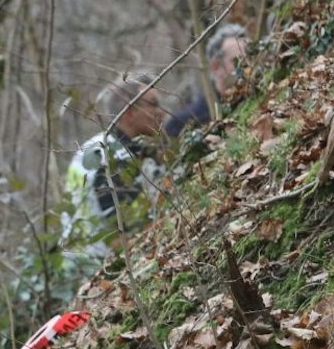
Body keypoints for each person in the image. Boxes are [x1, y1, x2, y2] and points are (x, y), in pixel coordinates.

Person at [62, 70, 168, 267]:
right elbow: (123, 234)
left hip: (82, 260)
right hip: (97, 267)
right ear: (128, 113)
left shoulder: (102, 146)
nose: (161, 112)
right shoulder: (113, 158)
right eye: (153, 105)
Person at [165, 23, 249, 138]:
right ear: (216, 67)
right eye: (238, 61)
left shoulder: (258, 97)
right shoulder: (185, 122)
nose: (248, 65)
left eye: (251, 57)